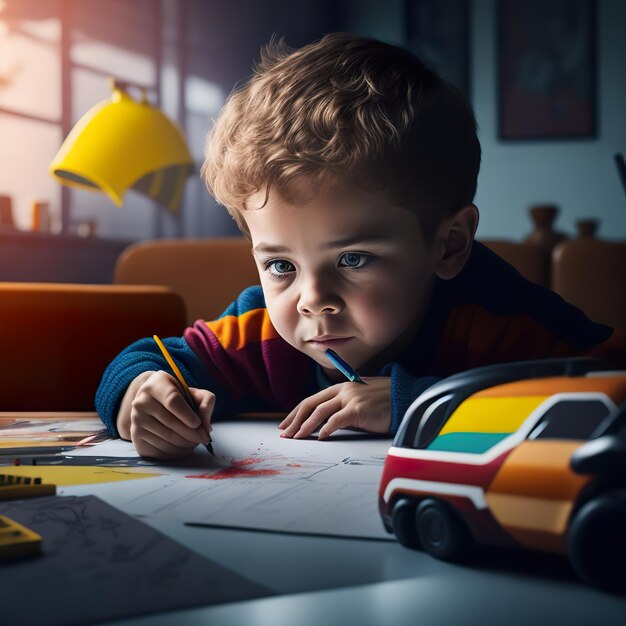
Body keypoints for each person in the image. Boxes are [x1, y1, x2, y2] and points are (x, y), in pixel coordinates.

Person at [96, 33, 626, 460]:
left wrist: (416, 404)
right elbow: (146, 356)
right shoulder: (262, 331)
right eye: (280, 264)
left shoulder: (499, 318)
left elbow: (612, 387)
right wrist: (140, 396)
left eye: (353, 259)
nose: (311, 299)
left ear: (448, 246)